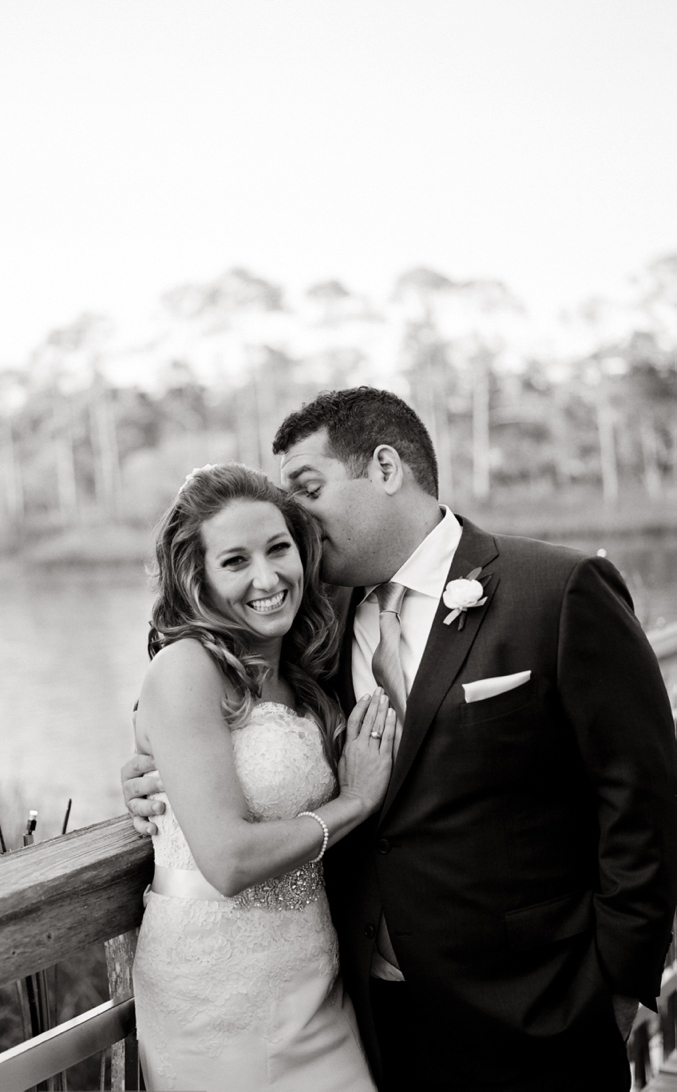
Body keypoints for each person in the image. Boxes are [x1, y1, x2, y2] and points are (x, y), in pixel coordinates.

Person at [124, 387, 677, 1092]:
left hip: (538, 1007)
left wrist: (617, 987)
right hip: (368, 1010)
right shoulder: (312, 630)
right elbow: (225, 718)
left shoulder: (557, 592)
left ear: (385, 467)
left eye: (308, 488)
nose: (295, 517)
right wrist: (149, 768)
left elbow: (642, 798)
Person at [130, 461, 397, 1092]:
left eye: (279, 549)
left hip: (314, 977)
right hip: (216, 996)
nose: (267, 577)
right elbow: (225, 861)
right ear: (198, 578)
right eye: (235, 561)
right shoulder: (184, 670)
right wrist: (355, 800)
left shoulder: (305, 673)